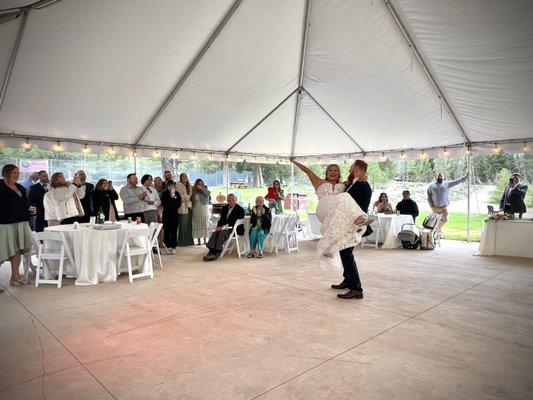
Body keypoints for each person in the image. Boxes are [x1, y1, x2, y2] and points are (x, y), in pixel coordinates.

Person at [292, 159, 370, 299]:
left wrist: (363, 177)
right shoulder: (319, 182)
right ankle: (351, 283)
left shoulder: (344, 185)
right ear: (326, 173)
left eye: (336, 170)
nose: (333, 172)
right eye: (330, 170)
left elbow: (354, 181)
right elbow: (308, 171)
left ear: (339, 174)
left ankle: (351, 283)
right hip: (324, 209)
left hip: (335, 216)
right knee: (346, 251)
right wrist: (294, 161)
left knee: (345, 250)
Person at [0, 164, 36, 288]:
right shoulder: (0, 186)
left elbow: (24, 205)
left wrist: (29, 211)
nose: (17, 174)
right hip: (5, 224)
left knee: (17, 251)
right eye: (14, 172)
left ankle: (15, 276)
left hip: (21, 223)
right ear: (6, 173)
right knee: (2, 251)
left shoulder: (20, 187)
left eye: (18, 172)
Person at [203, 194, 244, 261]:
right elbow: (221, 220)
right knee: (215, 232)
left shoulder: (240, 209)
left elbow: (234, 222)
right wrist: (218, 227)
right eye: (229, 200)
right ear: (227, 201)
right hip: (224, 227)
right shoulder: (225, 208)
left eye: (233, 200)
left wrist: (223, 227)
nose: (231, 202)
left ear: (235, 200)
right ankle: (211, 251)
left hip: (234, 229)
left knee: (221, 233)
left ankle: (217, 251)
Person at [160, 181, 181, 254]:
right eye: (169, 186)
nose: (170, 187)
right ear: (167, 186)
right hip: (166, 215)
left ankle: (173, 247)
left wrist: (173, 197)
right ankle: (168, 246)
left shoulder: (177, 193)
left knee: (174, 231)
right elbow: (165, 204)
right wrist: (171, 198)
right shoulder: (164, 194)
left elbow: (178, 204)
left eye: (172, 186)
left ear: (174, 186)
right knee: (166, 231)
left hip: (174, 214)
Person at [176, 173, 194, 246]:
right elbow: (179, 197)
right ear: (180, 177)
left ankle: (189, 241)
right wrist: (187, 196)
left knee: (189, 225)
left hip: (189, 206)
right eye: (183, 176)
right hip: (182, 207)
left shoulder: (189, 185)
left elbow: (191, 195)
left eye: (186, 176)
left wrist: (187, 197)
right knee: (183, 225)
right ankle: (182, 242)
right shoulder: (178, 184)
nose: (185, 177)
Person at [191, 178, 211, 245]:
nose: (200, 185)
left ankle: (205, 240)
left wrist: (201, 189)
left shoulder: (204, 189)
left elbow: (208, 194)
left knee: (204, 222)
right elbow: (191, 199)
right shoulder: (194, 191)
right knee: (197, 223)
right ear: (196, 184)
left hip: (203, 207)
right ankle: (199, 240)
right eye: (199, 184)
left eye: (201, 184)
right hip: (196, 208)